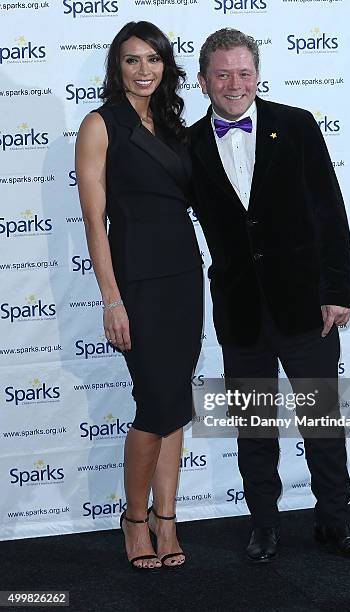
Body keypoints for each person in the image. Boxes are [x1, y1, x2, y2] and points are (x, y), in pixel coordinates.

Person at [188, 28, 350, 562]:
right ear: (203, 81)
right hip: (241, 309)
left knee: (321, 421)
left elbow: (328, 210)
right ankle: (264, 526)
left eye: (244, 72)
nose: (234, 83)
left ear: (257, 74)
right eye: (222, 73)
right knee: (255, 429)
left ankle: (335, 524)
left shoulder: (296, 125)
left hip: (306, 305)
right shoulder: (191, 144)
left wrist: (338, 289)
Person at [75, 21, 203, 571]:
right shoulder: (100, 125)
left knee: (174, 401)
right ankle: (133, 520)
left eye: (153, 59)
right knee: (154, 404)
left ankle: (166, 519)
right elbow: (93, 219)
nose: (144, 70)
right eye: (132, 60)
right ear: (117, 67)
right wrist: (111, 298)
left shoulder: (176, 127)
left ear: (166, 65)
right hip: (137, 284)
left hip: (183, 277)